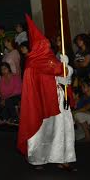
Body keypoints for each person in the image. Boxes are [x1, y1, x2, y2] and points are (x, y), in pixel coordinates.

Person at [17, 15, 76, 171]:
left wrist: (65, 70)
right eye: (45, 44)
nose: (48, 46)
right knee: (42, 129)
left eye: (48, 44)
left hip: (57, 98)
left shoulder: (50, 59)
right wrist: (65, 67)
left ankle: (63, 157)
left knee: (62, 127)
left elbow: (63, 74)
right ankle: (38, 158)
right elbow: (58, 70)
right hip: (42, 101)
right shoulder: (34, 62)